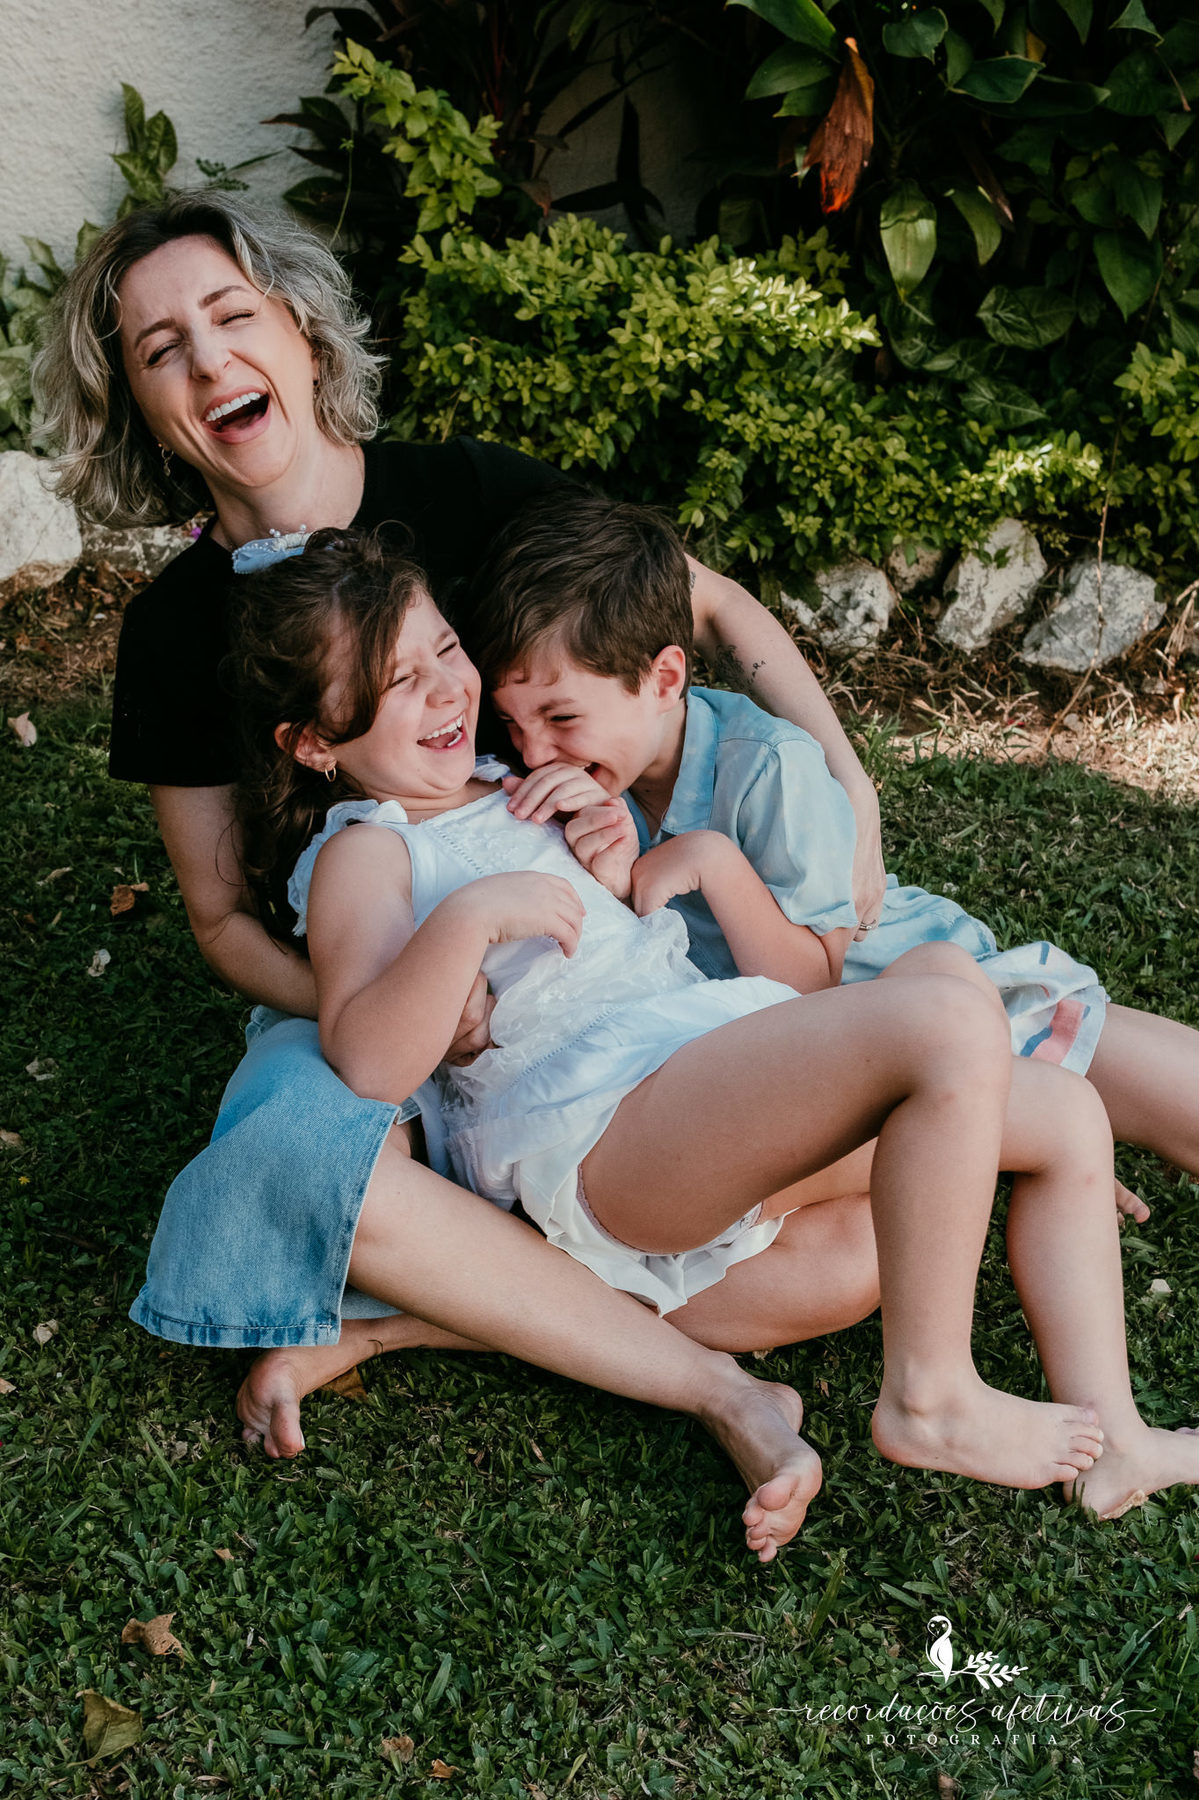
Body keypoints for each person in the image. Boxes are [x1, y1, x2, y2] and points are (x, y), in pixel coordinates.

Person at [33, 190, 891, 1532]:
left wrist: (844, 776)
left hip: (576, 931)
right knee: (318, 1175)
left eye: (231, 318)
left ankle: (414, 1319)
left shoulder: (460, 491)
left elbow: (702, 600)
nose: (207, 364)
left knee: (857, 1260)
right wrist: (387, 1006)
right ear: (145, 410)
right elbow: (216, 920)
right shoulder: (170, 633)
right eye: (160, 352)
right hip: (355, 969)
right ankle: (713, 1387)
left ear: (304, 335)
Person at [229, 526, 1199, 1531]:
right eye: (395, 684)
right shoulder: (367, 853)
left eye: (443, 650)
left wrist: (607, 860)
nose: (443, 690)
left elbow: (612, 939)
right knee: (948, 1010)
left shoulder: (513, 779)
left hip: (682, 1070)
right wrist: (472, 919)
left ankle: (1116, 1441)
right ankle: (930, 1394)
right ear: (313, 743)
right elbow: (367, 1057)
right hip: (603, 1124)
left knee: (1065, 1115)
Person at [476, 487, 1199, 1219]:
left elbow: (813, 989)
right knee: (1015, 1121)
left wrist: (715, 863)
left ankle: (1047, 1133)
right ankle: (1033, 1142)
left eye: (560, 717)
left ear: (664, 679)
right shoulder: (575, 788)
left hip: (930, 991)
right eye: (511, 723)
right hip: (840, 1068)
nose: (534, 750)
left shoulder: (768, 766)